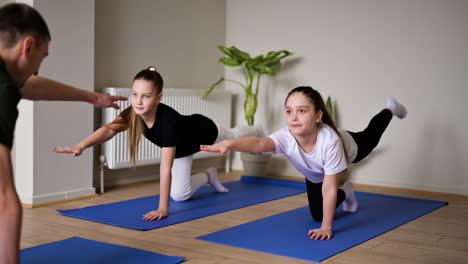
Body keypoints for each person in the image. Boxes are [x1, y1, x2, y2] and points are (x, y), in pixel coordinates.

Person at [0, 3, 128, 264]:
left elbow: (31, 87)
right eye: (42, 57)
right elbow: (3, 199)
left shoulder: (8, 78)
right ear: (28, 47)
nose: (38, 69)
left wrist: (92, 98)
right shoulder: (2, 91)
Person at [52, 66, 263, 221]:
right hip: (183, 150)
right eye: (134, 94)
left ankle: (256, 131)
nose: (138, 101)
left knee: (233, 135)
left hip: (203, 130)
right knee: (180, 195)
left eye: (145, 96)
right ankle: (209, 175)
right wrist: (81, 145)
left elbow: (165, 168)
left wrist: (162, 208)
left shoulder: (168, 122)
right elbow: (108, 130)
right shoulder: (133, 113)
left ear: (158, 97)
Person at [200, 86, 407, 240]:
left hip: (350, 147)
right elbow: (259, 143)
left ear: (318, 116)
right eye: (289, 111)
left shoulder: (330, 141)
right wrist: (228, 143)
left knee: (371, 135)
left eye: (302, 111)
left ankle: (390, 109)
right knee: (317, 216)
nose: (294, 117)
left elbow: (328, 186)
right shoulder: (286, 137)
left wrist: (327, 227)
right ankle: (348, 192)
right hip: (314, 174)